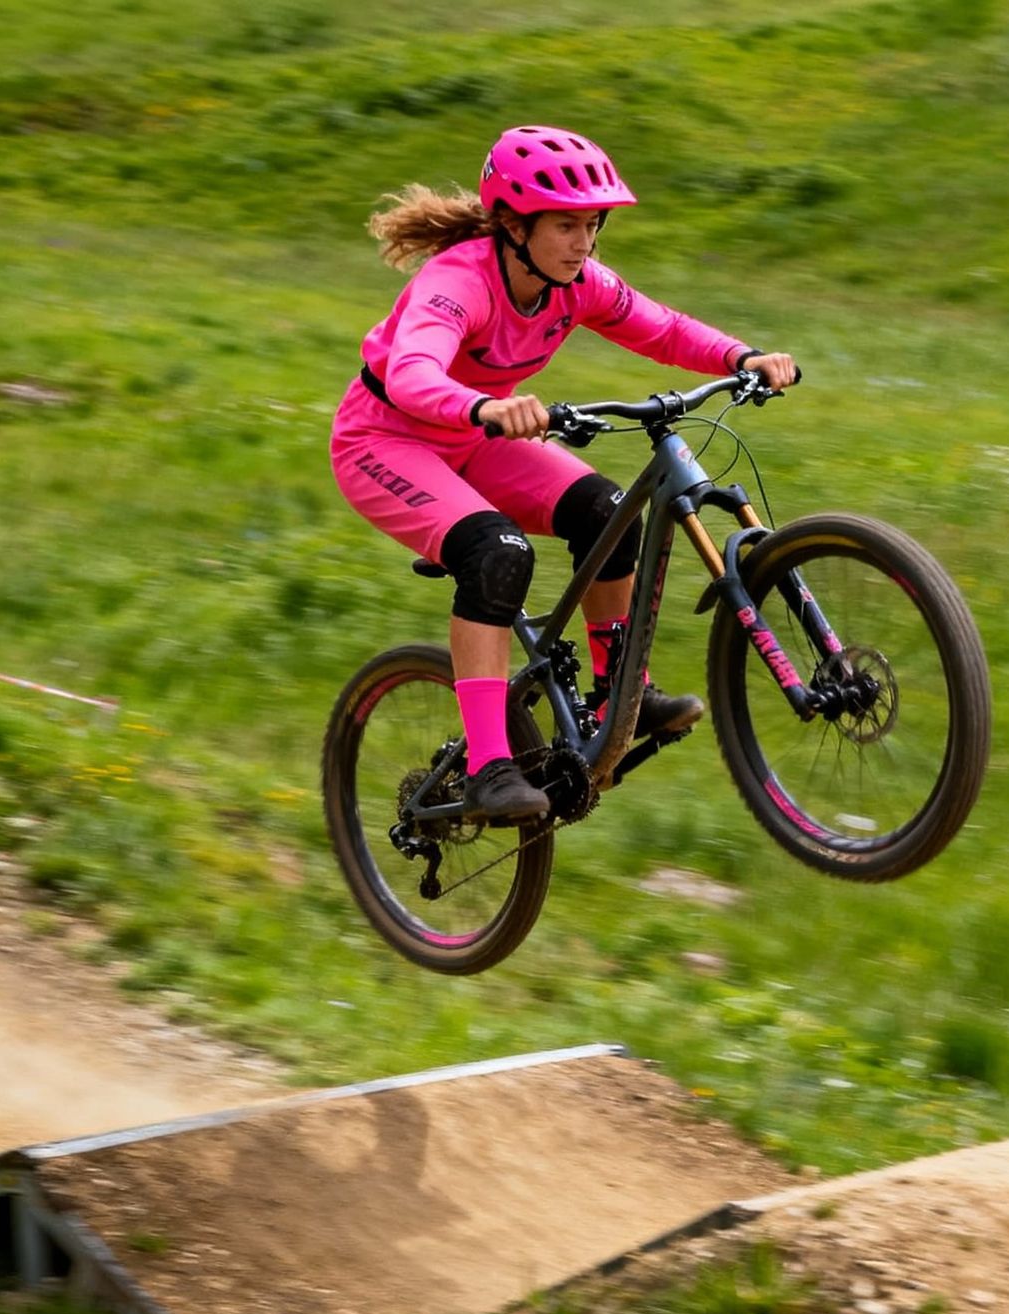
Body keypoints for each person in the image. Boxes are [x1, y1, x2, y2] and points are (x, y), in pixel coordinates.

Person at [330, 124, 798, 821]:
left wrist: (742, 357)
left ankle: (619, 698)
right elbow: (413, 372)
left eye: (593, 225)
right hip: (385, 441)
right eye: (566, 226)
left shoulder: (577, 284)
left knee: (609, 512)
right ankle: (489, 766)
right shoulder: (458, 281)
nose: (584, 243)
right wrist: (485, 406)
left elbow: (663, 328)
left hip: (476, 437)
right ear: (514, 226)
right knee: (497, 552)